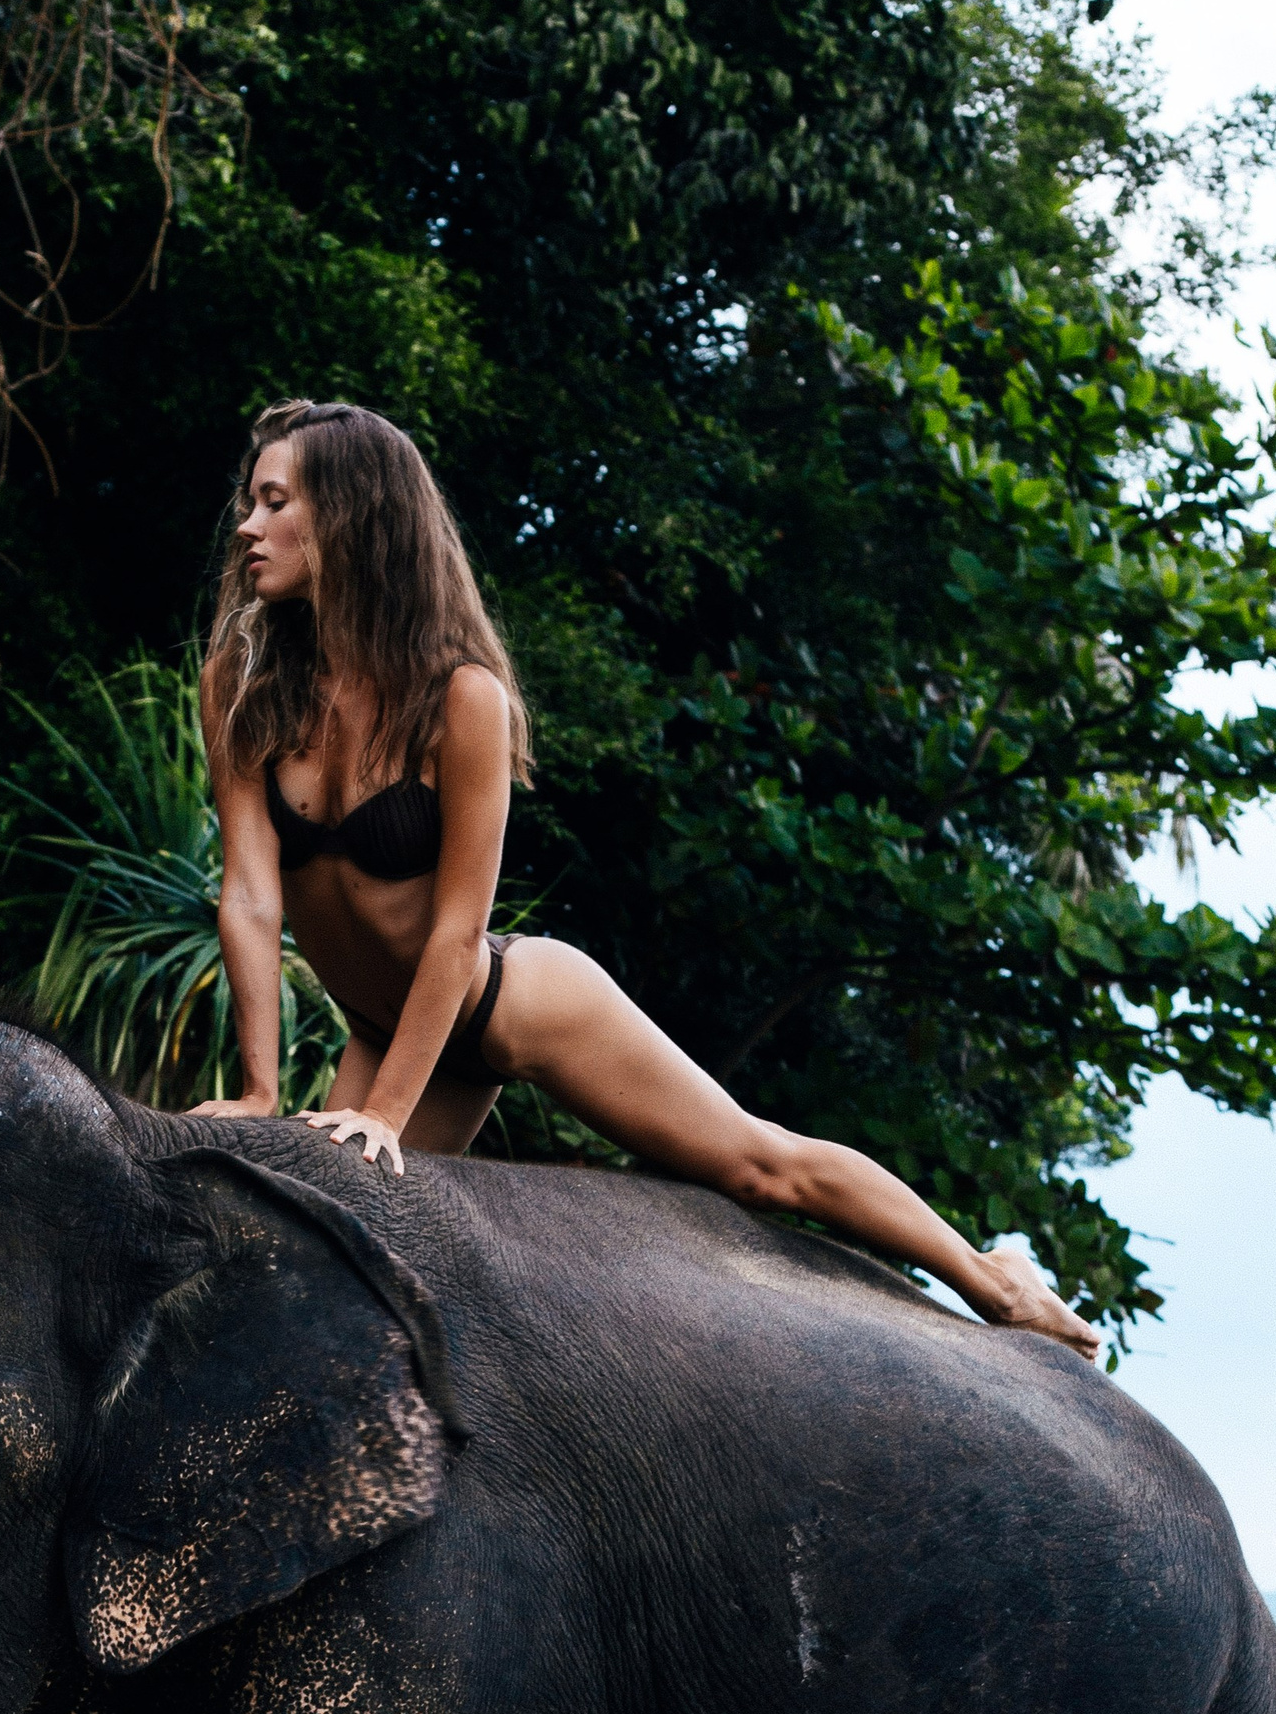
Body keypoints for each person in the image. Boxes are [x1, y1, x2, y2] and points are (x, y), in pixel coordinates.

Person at [192, 398, 1097, 1355]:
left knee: (759, 1167)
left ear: (349, 512)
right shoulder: (245, 686)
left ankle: (998, 1282)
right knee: (315, 1264)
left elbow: (458, 930)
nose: (248, 527)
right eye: (250, 503)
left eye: (275, 501)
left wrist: (379, 1116)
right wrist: (257, 1090)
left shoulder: (461, 699)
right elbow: (251, 895)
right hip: (390, 1027)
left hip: (505, 997)